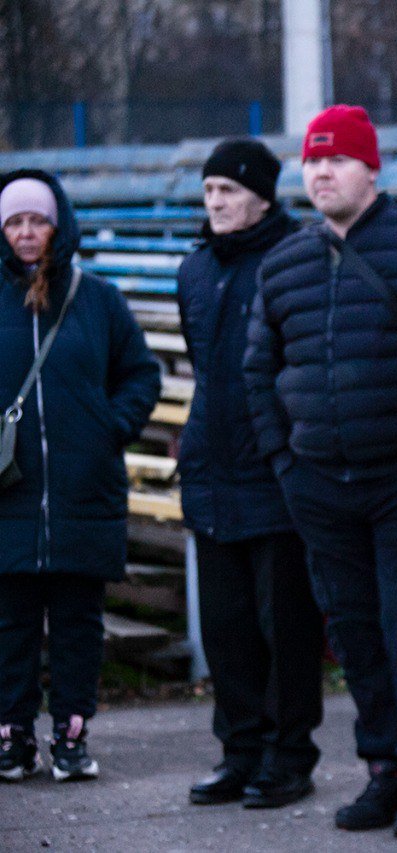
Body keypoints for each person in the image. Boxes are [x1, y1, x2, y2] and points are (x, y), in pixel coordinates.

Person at [243, 105, 397, 839]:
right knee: (354, 634)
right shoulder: (283, 261)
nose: (321, 173)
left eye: (336, 160)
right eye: (312, 163)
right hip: (319, 485)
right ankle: (384, 768)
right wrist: (287, 463)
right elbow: (260, 368)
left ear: (370, 168)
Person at [0, 170, 160, 783]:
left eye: (37, 220)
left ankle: (70, 735)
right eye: (14, 221)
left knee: (76, 623)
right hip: (9, 493)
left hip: (83, 489)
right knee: (9, 624)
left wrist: (109, 428)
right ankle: (12, 737)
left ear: (58, 224)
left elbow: (140, 374)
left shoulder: (97, 299)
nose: (26, 233)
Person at [178, 139, 324, 809]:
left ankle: (288, 755)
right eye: (209, 193)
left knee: (284, 623)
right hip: (212, 468)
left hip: (274, 471)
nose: (216, 204)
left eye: (228, 192)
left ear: (262, 196)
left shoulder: (292, 259)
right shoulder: (196, 270)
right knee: (227, 626)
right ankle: (239, 751)